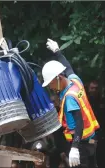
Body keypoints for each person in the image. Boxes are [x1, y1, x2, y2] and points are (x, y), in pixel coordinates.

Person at [41, 39, 100, 168]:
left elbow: (79, 122)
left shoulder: (70, 97)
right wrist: (57, 52)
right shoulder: (75, 81)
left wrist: (74, 148)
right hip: (91, 141)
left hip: (81, 145)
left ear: (58, 78)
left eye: (50, 83)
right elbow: (68, 67)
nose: (50, 87)